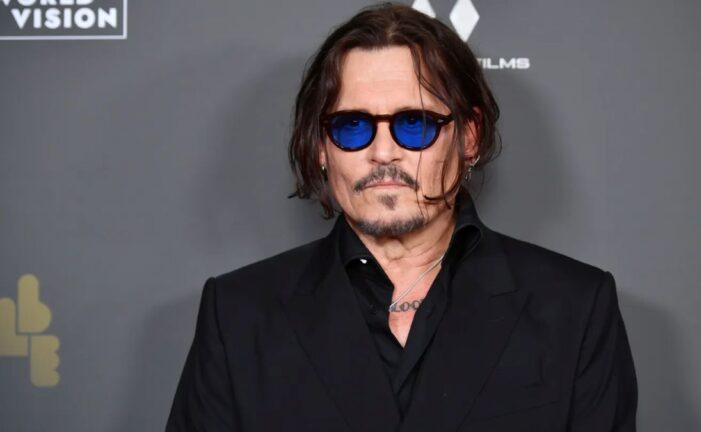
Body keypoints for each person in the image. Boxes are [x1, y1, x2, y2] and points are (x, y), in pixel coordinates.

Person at [166, 3, 637, 431]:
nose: (383, 152)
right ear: (321, 147)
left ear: (469, 137)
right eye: (353, 126)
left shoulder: (573, 307)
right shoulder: (239, 314)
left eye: (415, 123)